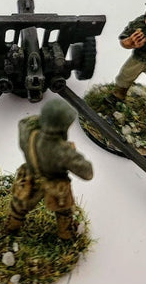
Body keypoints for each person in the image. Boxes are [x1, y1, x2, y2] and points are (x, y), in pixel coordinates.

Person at [6, 99, 93, 240]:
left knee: (19, 205)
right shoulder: (62, 151)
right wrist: (72, 153)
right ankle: (66, 233)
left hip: (29, 177)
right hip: (55, 184)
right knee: (64, 211)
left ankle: (11, 227)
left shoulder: (27, 131)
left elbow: (26, 121)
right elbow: (88, 173)